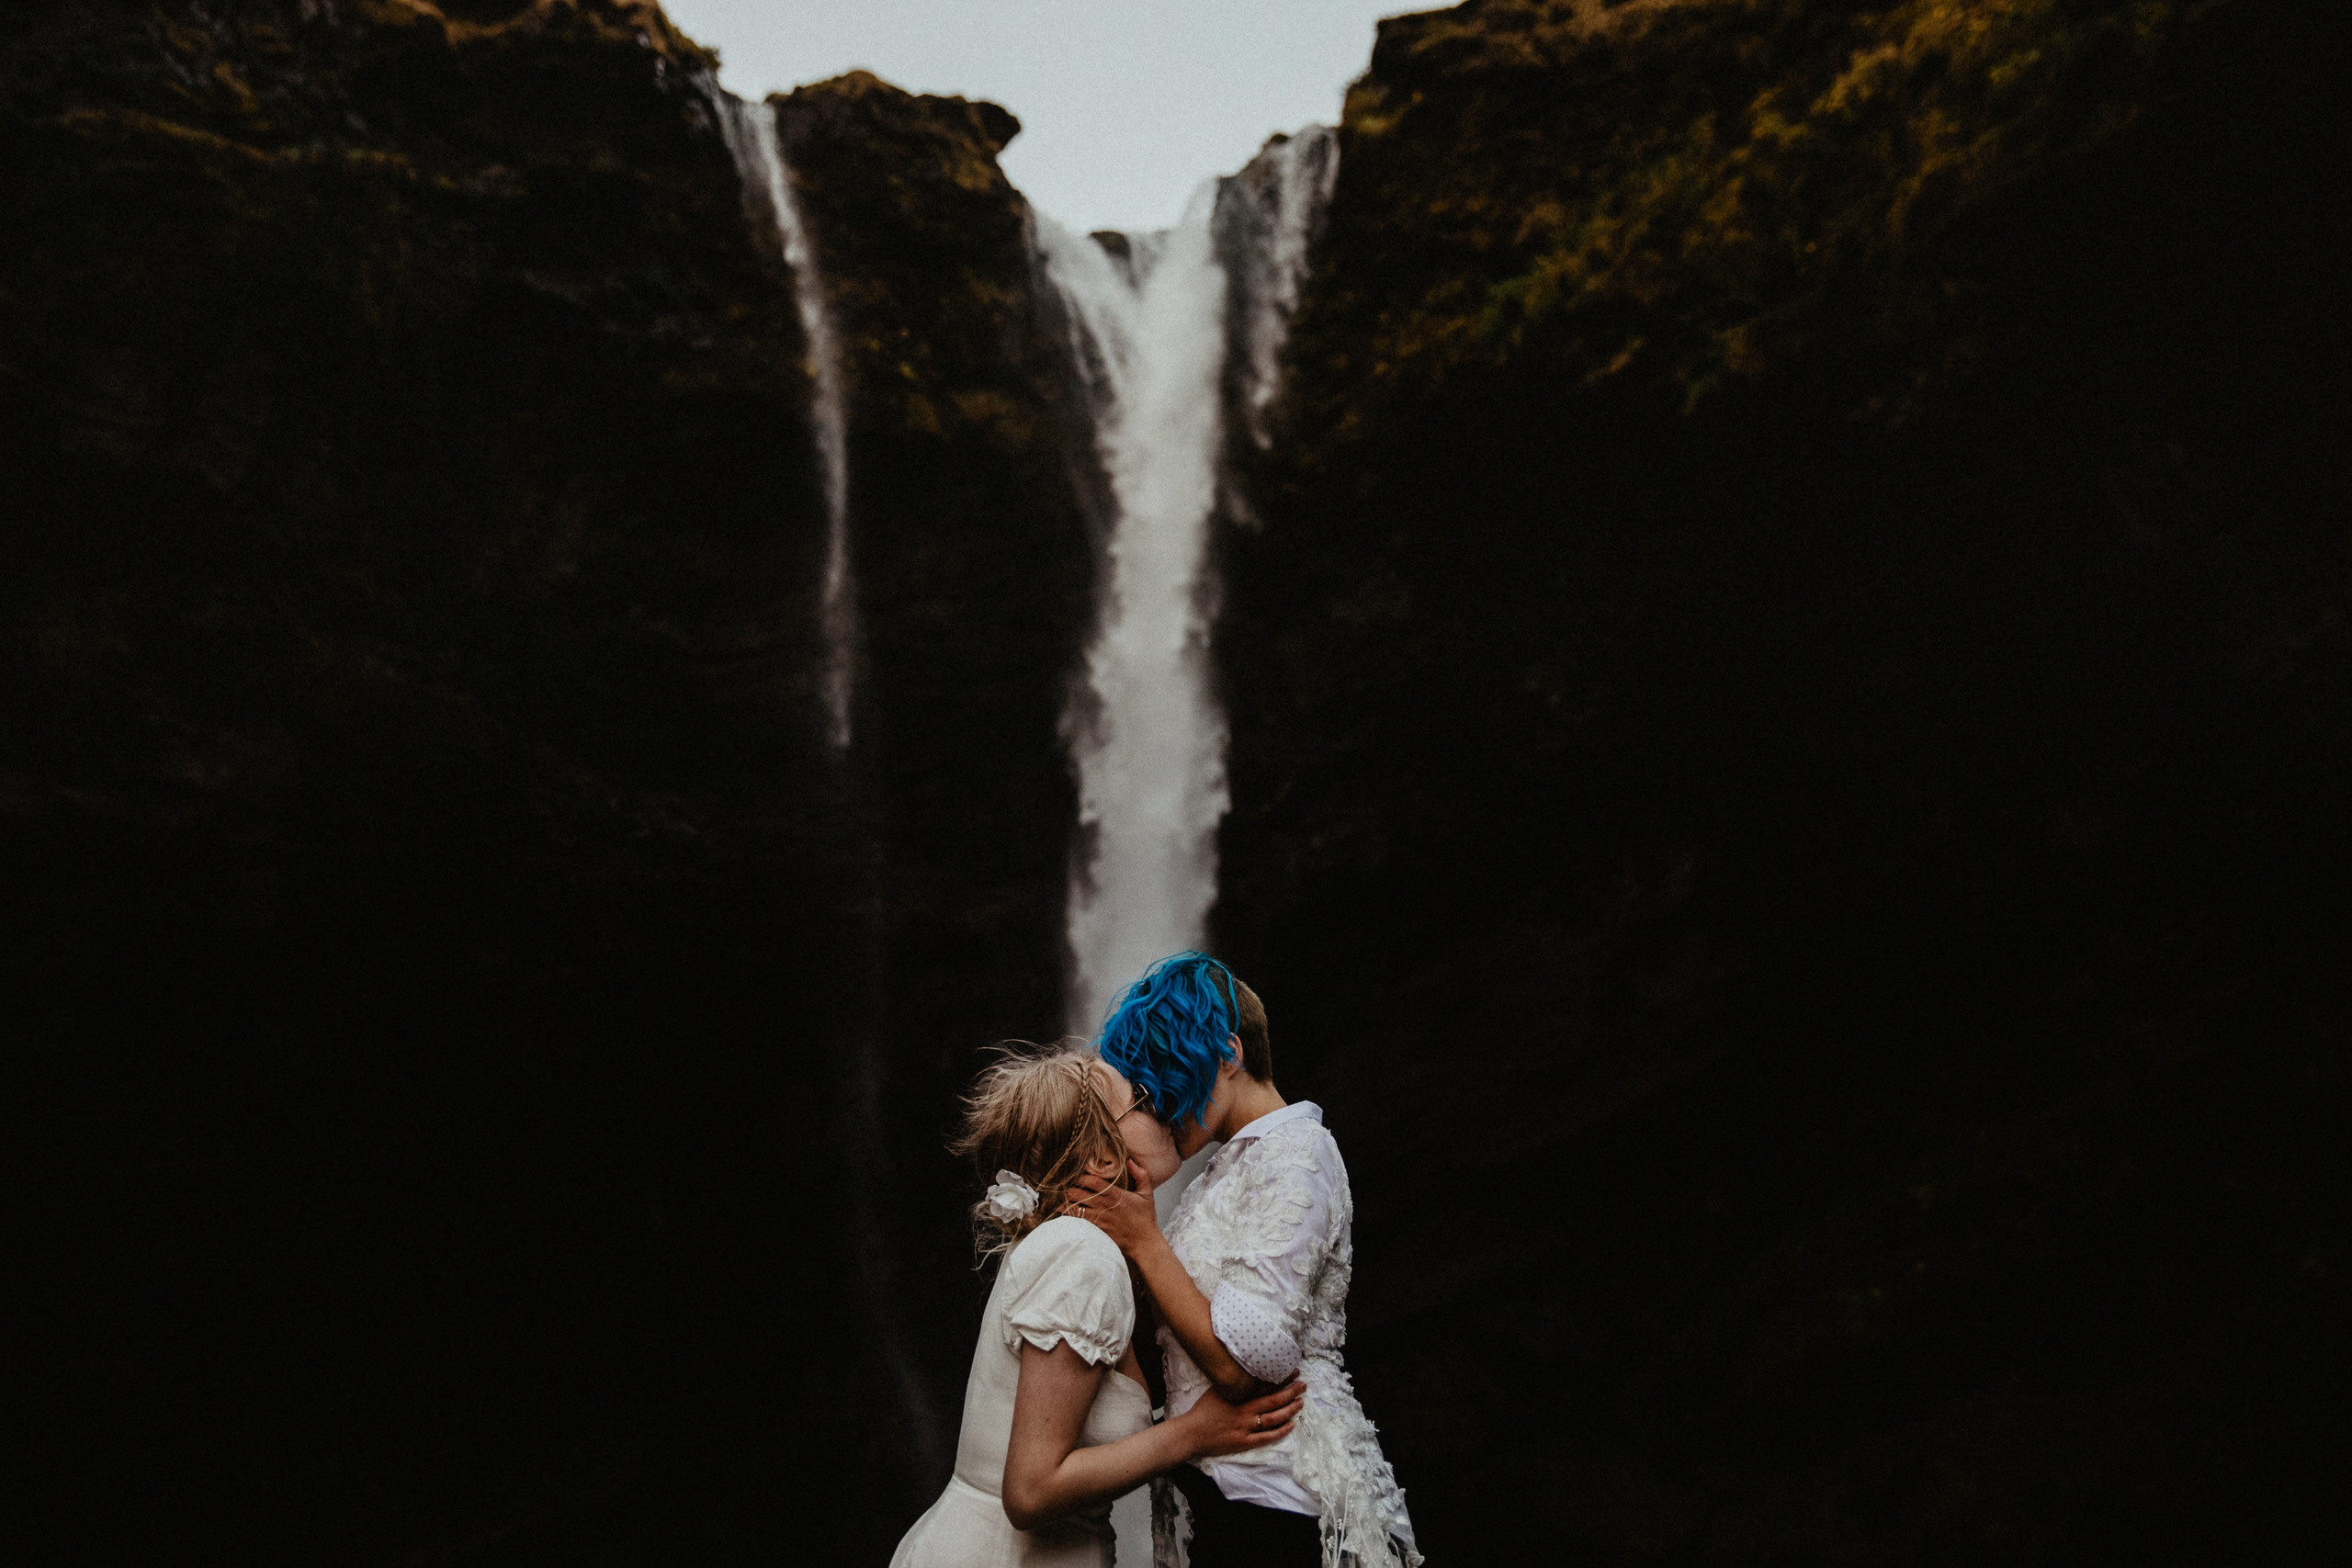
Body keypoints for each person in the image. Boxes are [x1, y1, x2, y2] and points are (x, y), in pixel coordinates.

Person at [890, 1043, 1306, 1568]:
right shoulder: (1081, 1254)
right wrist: (1193, 1433)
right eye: (1143, 1101)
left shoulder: (1073, 1243)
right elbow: (1030, 1492)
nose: (1165, 1108)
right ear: (1100, 1158)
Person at [1071, 953, 1422, 1568]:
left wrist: (1145, 1241)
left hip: (1289, 1495)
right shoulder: (1219, 1175)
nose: (1160, 1108)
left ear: (1228, 1053)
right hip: (1233, 1498)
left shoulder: (1299, 1152)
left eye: (1167, 1079)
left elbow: (1244, 1368)